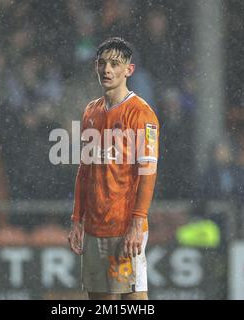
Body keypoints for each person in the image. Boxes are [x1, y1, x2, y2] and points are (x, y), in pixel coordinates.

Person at [68, 37, 159, 300]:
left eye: (115, 64)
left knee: (133, 300)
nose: (107, 69)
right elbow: (84, 171)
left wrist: (137, 222)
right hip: (95, 226)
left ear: (128, 70)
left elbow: (148, 172)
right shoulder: (91, 112)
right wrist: (77, 219)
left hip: (124, 226)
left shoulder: (141, 113)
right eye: (102, 63)